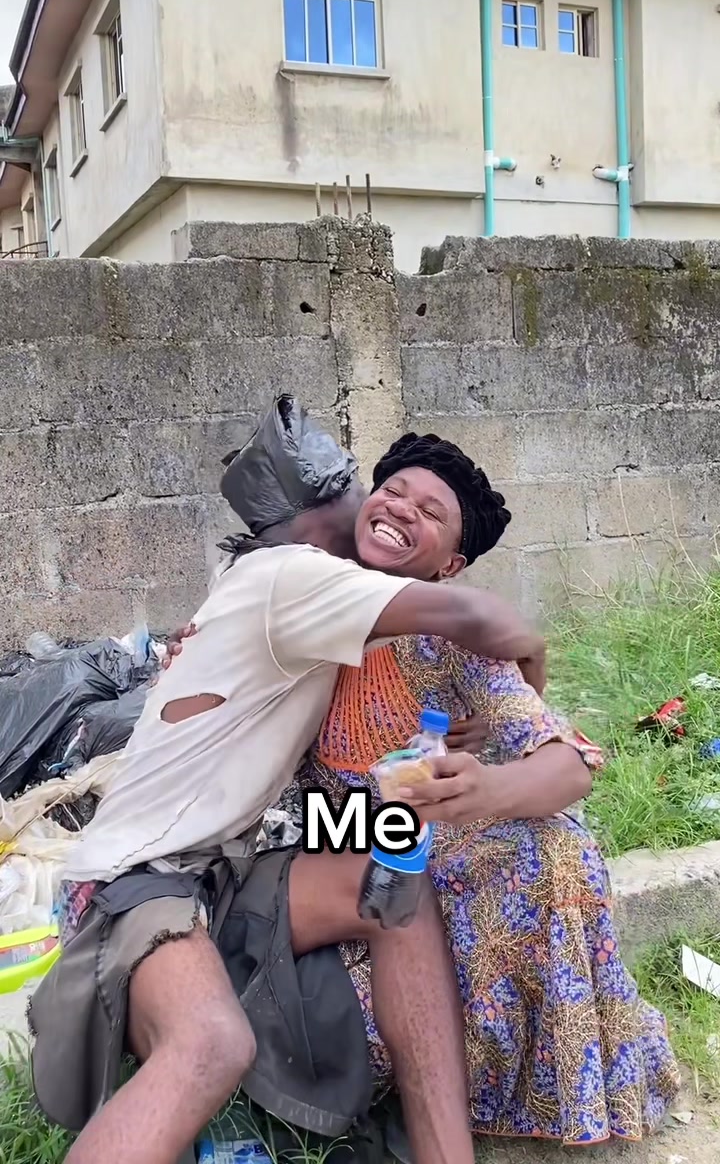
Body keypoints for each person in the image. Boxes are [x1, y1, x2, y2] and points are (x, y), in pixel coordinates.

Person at [28, 397, 546, 1164]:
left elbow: (341, 798)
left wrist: (442, 784)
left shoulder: (300, 596)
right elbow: (483, 620)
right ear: (311, 518)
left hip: (240, 856)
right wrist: (534, 659)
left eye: (417, 506)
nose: (383, 505)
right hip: (142, 877)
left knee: (397, 882)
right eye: (370, 491)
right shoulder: (297, 580)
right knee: (211, 1043)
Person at [174, 428, 681, 1152]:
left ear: (451, 565)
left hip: (407, 836)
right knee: (398, 872)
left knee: (552, 851)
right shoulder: (297, 592)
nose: (401, 509)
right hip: (300, 838)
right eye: (393, 491)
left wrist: (487, 787)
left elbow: (568, 762)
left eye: (430, 512)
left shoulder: (447, 638)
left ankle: (510, 1086)